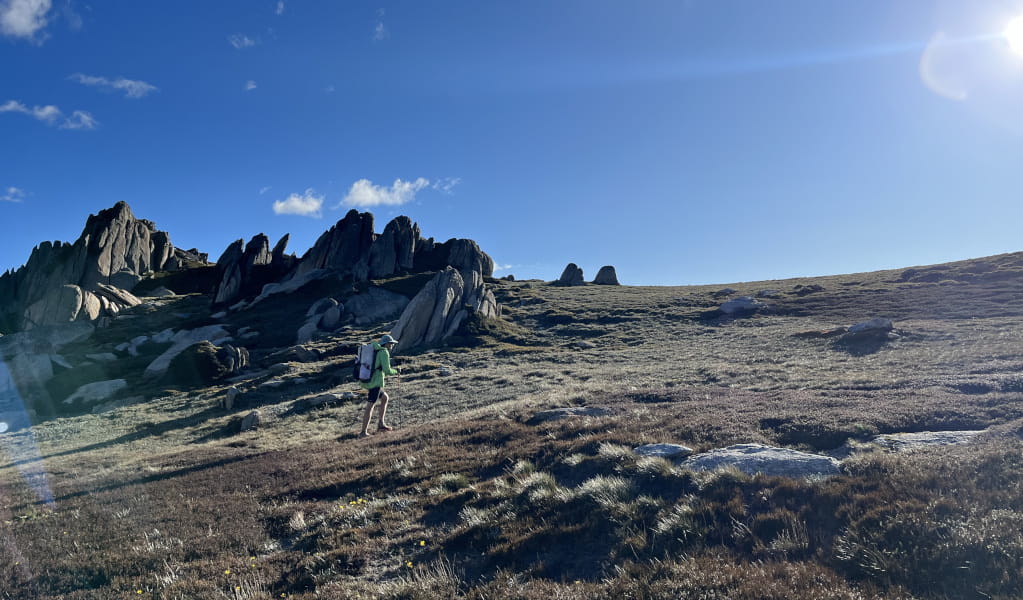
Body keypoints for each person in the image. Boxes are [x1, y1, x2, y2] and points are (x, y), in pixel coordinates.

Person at [358, 334, 400, 436]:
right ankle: (363, 432)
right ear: (387, 344)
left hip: (368, 379)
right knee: (370, 406)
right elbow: (387, 370)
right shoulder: (384, 352)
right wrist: (396, 371)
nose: (392, 346)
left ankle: (381, 424)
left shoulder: (374, 349)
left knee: (385, 398)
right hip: (375, 383)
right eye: (391, 344)